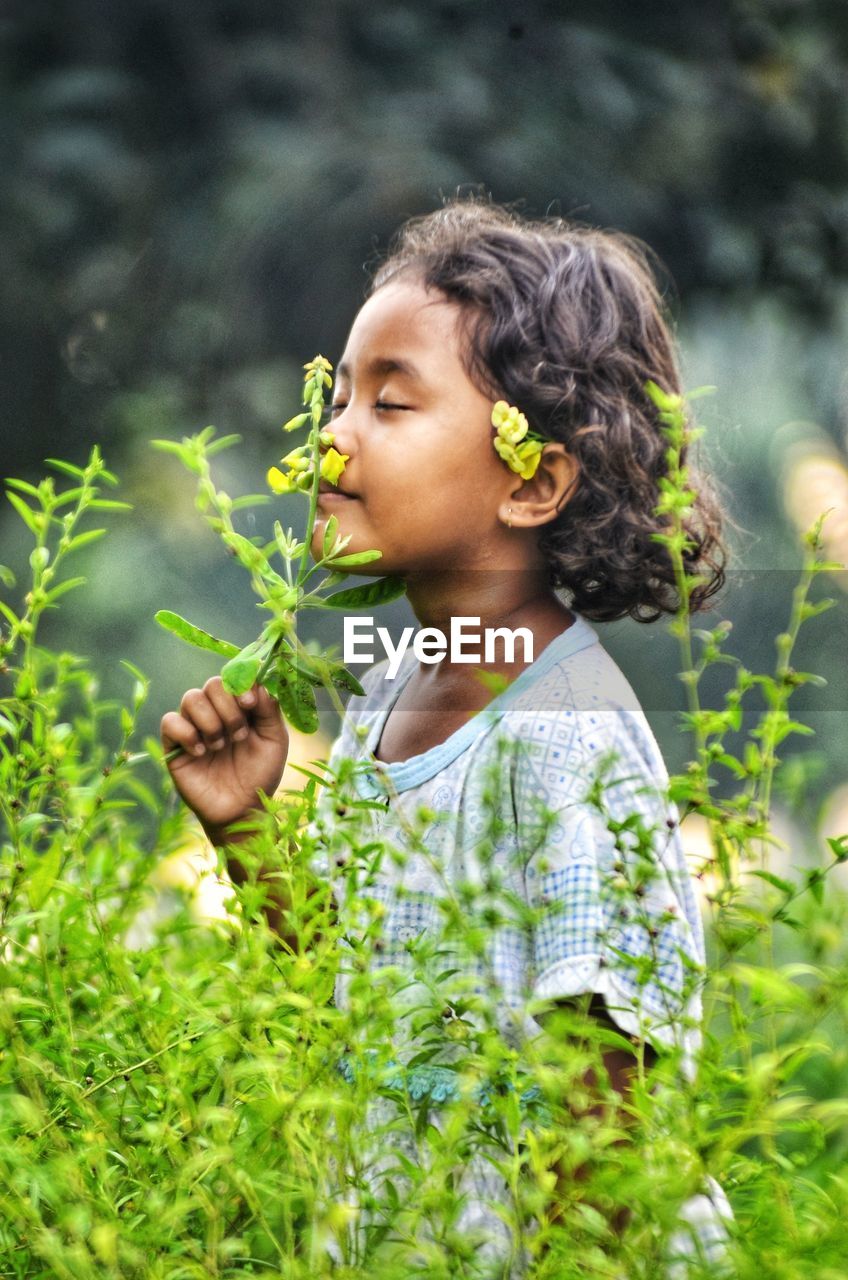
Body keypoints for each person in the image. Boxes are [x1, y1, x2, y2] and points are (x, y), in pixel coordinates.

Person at [161, 199, 736, 1275]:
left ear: (530, 481)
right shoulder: (391, 690)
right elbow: (349, 984)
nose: (332, 438)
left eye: (388, 402)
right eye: (335, 398)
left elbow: (604, 1108)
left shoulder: (566, 737)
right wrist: (247, 834)